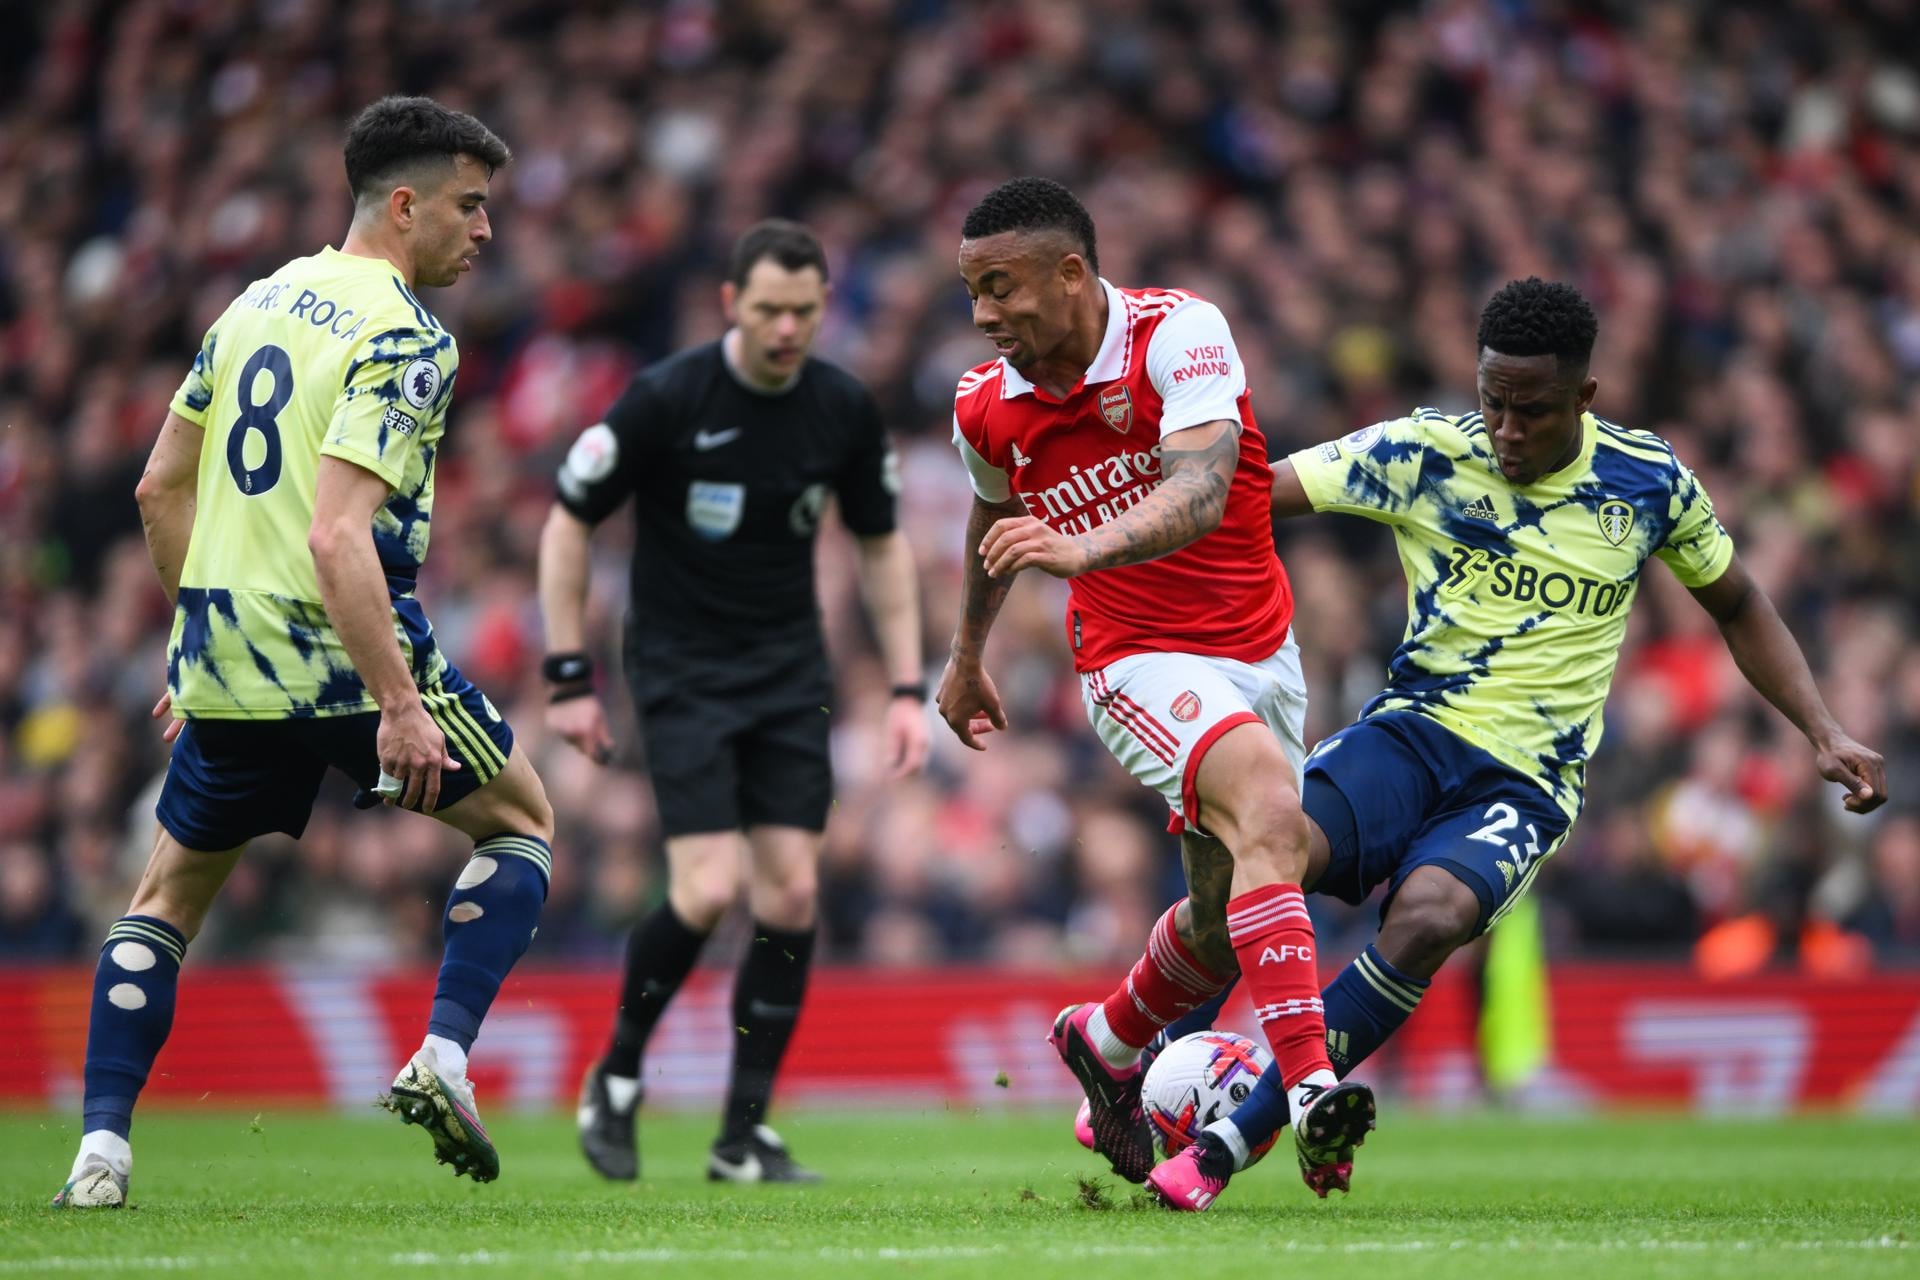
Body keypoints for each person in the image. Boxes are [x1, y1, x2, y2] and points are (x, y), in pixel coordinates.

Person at [1134, 276, 1887, 1211]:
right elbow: (1248, 494)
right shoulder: (1428, 451)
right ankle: (1138, 1063)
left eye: (1532, 410)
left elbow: (1738, 602)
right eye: (1494, 402)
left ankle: (1223, 1147)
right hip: (1408, 736)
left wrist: (1823, 727)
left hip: (1526, 785)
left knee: (1428, 919)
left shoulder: (1648, 484)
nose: (1507, 429)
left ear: (1586, 398)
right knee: (1264, 843)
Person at [53, 97, 554, 1208]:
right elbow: (337, 531)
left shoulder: (252, 304)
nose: (485, 232)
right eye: (471, 207)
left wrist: (197, 646)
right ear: (406, 203)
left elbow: (157, 486)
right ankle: (444, 1053)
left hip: (228, 660)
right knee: (523, 820)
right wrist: (398, 701)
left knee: (166, 897)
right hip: (344, 648)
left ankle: (99, 1154)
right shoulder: (406, 333)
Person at [935, 177, 1376, 1203]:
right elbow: (990, 524)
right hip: (1131, 657)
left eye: (1000, 287)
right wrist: (966, 655)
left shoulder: (1179, 333)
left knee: (1226, 914)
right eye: (972, 292)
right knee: (1270, 804)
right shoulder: (983, 405)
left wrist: (1075, 539)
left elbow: (1205, 484)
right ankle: (1309, 1091)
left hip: (1260, 652)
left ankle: (1108, 1034)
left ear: (1073, 273)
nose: (984, 313)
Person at [541, 219, 928, 1184]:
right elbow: (567, 522)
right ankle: (617, 1074)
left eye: (803, 311)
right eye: (768, 311)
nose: (787, 329)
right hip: (679, 666)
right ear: (730, 305)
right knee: (709, 889)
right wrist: (566, 674)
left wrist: (910, 685)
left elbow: (880, 543)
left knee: (793, 892)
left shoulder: (841, 409)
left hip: (789, 671)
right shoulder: (667, 399)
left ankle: (741, 1136)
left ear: (822, 307)